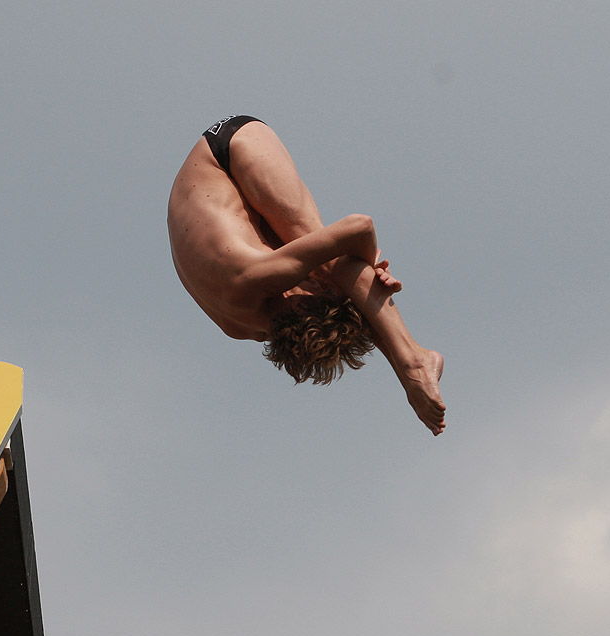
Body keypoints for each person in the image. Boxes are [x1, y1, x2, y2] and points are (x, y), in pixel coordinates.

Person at [167, 115, 447, 435]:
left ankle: (413, 360)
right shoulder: (243, 327)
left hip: (227, 150)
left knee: (330, 265)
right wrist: (357, 278)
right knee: (331, 271)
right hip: (211, 189)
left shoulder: (256, 278)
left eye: (316, 291)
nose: (312, 284)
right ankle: (409, 360)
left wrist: (364, 261)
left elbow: (360, 226)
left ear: (299, 306)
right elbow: (340, 315)